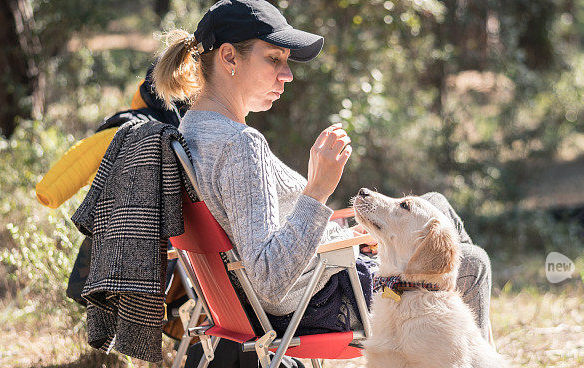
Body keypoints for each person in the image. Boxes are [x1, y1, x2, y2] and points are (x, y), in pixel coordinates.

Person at [153, 0, 493, 340]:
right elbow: (271, 279)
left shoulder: (191, 130)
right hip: (325, 298)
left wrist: (347, 236)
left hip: (294, 286)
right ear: (229, 57)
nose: (287, 74)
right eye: (273, 59)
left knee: (433, 205)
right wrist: (318, 189)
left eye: (286, 62)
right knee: (473, 263)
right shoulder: (241, 144)